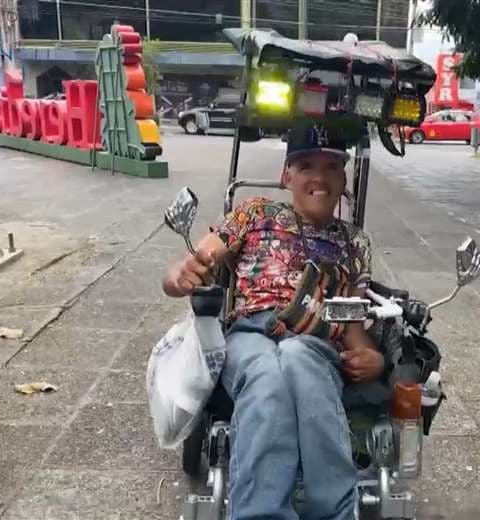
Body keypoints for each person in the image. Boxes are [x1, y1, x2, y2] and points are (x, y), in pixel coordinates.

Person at [162, 123, 385, 520]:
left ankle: (334, 512)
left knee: (298, 358)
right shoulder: (255, 213)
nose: (319, 177)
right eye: (306, 166)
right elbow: (195, 262)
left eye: (331, 167)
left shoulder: (355, 242)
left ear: (343, 178)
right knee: (266, 372)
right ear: (286, 176)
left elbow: (353, 321)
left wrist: (374, 358)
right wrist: (180, 275)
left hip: (316, 340)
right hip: (251, 330)